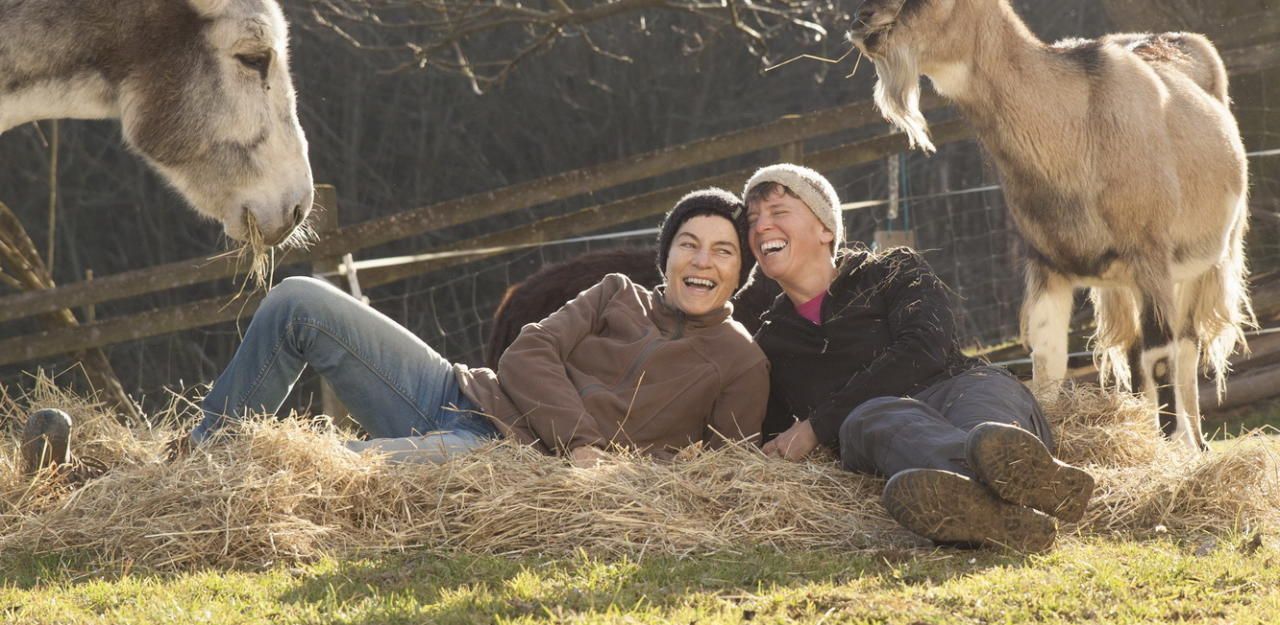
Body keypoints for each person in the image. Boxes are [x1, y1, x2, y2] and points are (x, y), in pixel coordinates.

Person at [25, 188, 769, 473]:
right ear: (666, 252)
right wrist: (581, 437)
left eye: (722, 251)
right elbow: (526, 353)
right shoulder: (615, 291)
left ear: (740, 272)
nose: (701, 262)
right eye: (689, 245)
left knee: (322, 467)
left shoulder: (739, 362)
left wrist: (587, 458)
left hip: (499, 458)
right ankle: (191, 463)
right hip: (453, 389)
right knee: (298, 299)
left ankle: (105, 481)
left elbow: (716, 472)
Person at [742, 163, 1094, 552]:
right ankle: (1011, 496)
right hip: (886, 430)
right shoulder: (772, 340)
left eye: (778, 213)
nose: (760, 227)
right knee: (871, 416)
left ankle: (996, 495)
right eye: (753, 218)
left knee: (987, 427)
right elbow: (757, 426)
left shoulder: (892, 271)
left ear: (825, 229)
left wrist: (817, 425)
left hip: (960, 388)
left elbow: (926, 346)